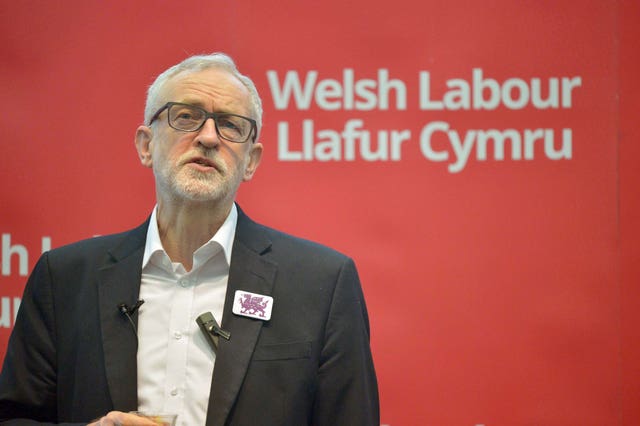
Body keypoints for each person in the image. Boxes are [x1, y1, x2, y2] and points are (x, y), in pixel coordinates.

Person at [0, 53, 379, 425]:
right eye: (186, 117)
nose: (209, 137)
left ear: (251, 160)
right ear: (146, 145)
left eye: (231, 125)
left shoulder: (322, 284)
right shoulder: (64, 278)